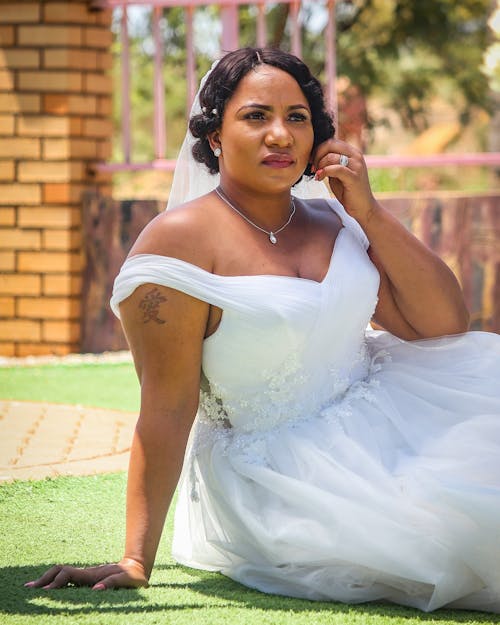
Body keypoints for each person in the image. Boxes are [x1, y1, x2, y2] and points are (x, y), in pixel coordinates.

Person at [26, 47, 500, 613]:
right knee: (452, 528)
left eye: (297, 117)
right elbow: (167, 408)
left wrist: (369, 212)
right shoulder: (177, 243)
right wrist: (135, 557)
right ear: (216, 135)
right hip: (280, 477)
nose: (280, 135)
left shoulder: (338, 220)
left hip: (395, 413)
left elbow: (442, 324)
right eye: (256, 116)